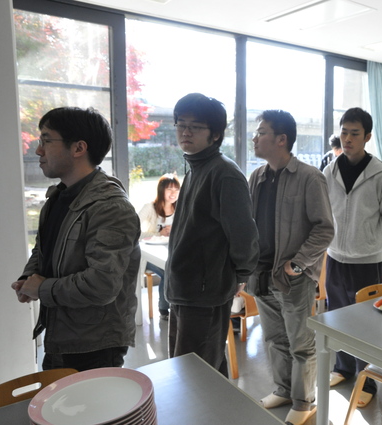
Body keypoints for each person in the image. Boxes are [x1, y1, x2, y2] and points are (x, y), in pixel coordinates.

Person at [11, 107, 141, 371]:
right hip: (61, 333)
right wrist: (29, 277)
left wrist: (42, 289)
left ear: (79, 148)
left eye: (46, 140)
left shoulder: (110, 207)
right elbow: (44, 248)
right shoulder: (59, 196)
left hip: (93, 344)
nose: (38, 150)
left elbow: (102, 284)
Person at [247, 110, 334, 425]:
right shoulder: (257, 177)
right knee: (274, 339)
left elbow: (324, 228)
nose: (255, 138)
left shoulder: (309, 177)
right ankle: (283, 389)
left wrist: (298, 264)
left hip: (293, 278)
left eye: (261, 132)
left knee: (300, 344)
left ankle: (303, 400)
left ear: (281, 139)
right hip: (262, 274)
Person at [165, 93, 259, 377]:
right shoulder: (196, 168)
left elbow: (243, 234)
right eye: (181, 124)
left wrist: (240, 274)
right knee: (197, 371)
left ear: (215, 134)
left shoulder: (224, 174)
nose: (186, 131)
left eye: (195, 126)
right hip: (184, 289)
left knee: (195, 377)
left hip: (204, 293)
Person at [323, 107, 382, 406]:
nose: (348, 139)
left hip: (367, 261)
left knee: (367, 324)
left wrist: (375, 249)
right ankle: (343, 368)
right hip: (335, 257)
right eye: (344, 132)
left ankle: (367, 380)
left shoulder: (381, 176)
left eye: (355, 133)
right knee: (338, 316)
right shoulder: (329, 171)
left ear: (367, 137)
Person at [138, 173, 180, 320]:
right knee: (168, 270)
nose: (173, 193)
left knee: (180, 268)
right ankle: (165, 309)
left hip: (171, 252)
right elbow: (132, 230)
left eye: (176, 190)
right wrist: (158, 233)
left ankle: (179, 306)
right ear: (161, 190)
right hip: (149, 254)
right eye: (169, 189)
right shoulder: (149, 207)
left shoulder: (180, 208)